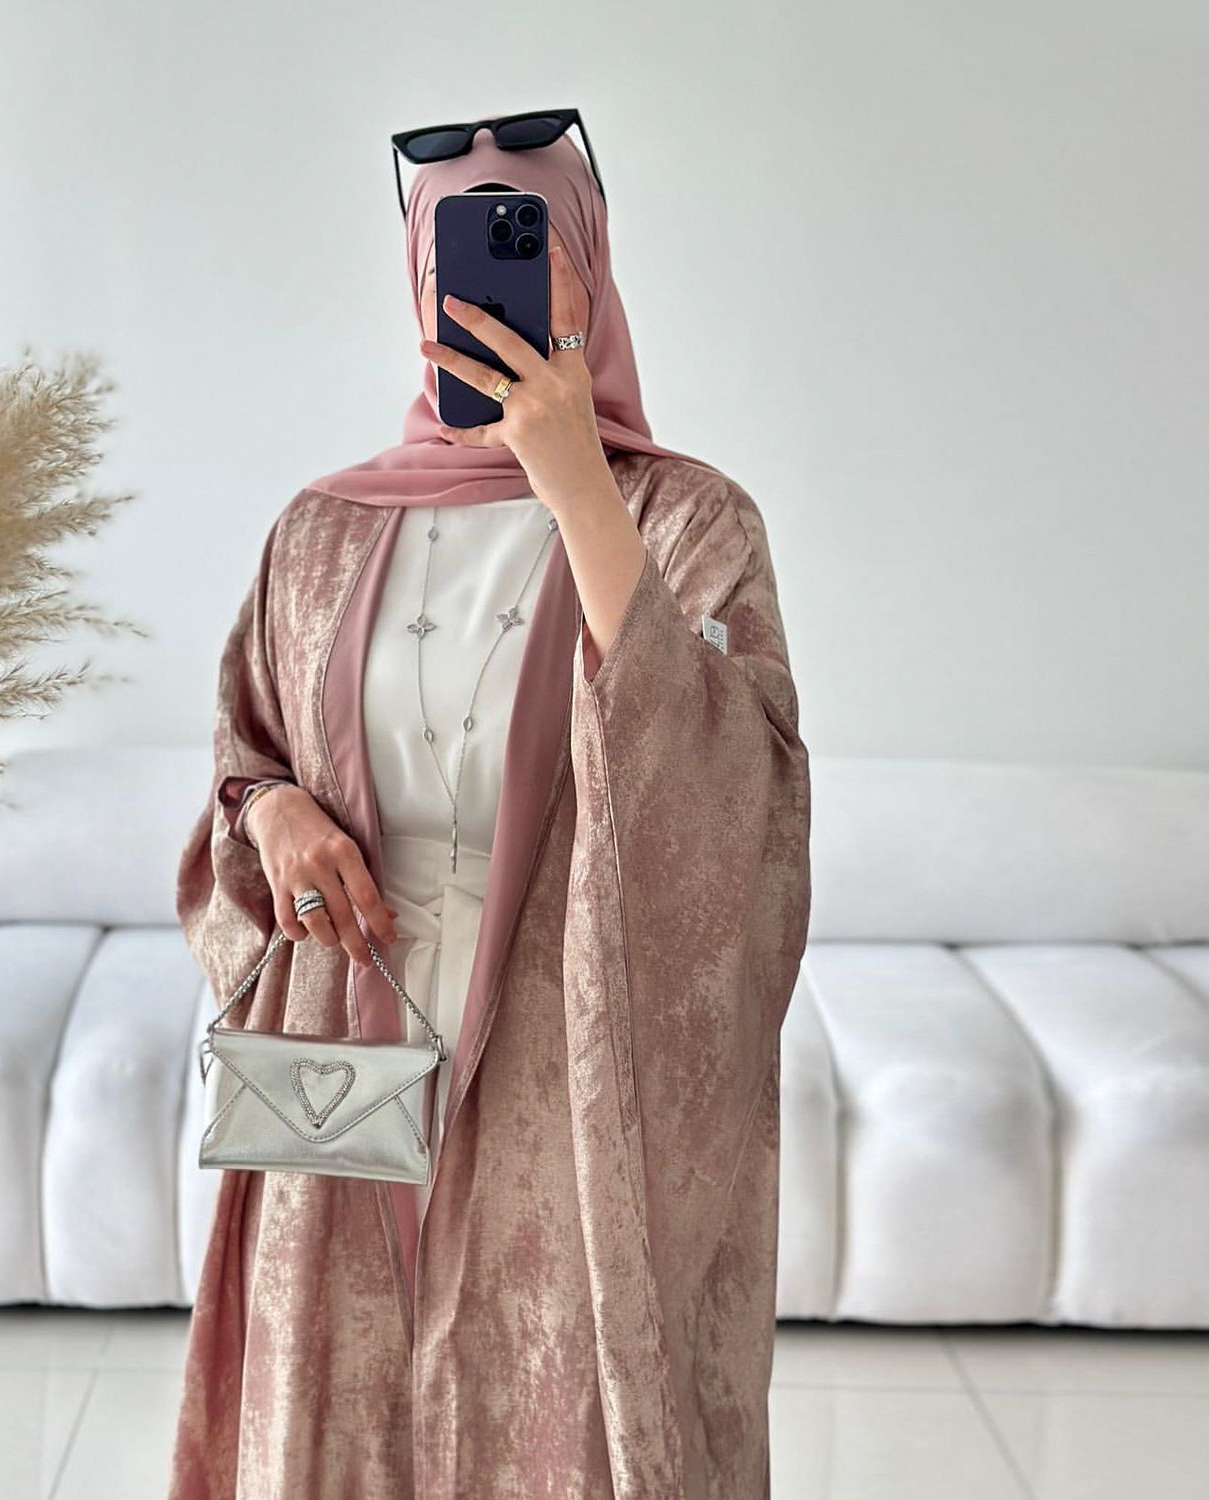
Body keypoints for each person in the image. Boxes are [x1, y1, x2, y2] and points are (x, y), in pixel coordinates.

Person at [171, 120, 812, 1500]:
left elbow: (735, 808)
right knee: (343, 1396)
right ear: (415, 286)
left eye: (524, 242)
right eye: (449, 253)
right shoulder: (321, 530)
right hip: (348, 1035)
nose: (480, 283)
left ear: (587, 268)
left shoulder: (693, 523)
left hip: (571, 1059)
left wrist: (575, 480)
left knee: (553, 1406)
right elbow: (246, 749)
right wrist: (275, 814)